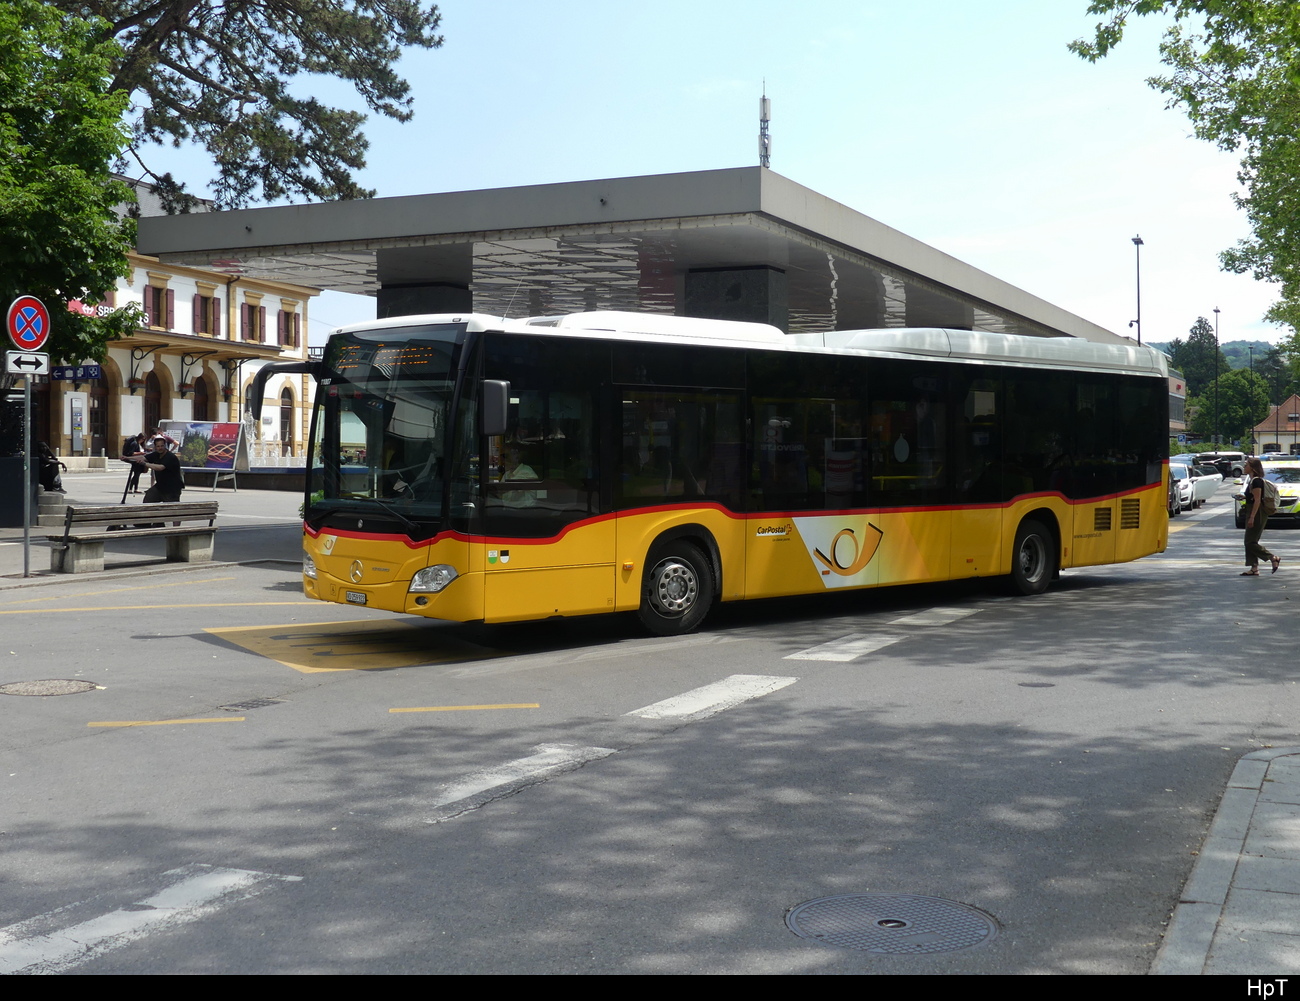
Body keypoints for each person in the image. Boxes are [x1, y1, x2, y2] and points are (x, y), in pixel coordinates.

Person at [1242, 456, 1280, 576]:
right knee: (1251, 540)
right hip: (1253, 510)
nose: (1244, 467)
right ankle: (1254, 568)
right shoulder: (1252, 480)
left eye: (1246, 465)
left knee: (1249, 542)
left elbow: (1257, 501)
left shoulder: (1257, 481)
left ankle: (1272, 557)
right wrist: (1245, 497)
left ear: (1252, 468)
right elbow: (1253, 497)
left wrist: (1252, 517)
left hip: (1257, 512)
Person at [131, 436, 184, 503]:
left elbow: (160, 467)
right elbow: (142, 457)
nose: (160, 448)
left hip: (172, 488)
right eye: (158, 446)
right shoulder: (156, 454)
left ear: (165, 446)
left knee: (170, 508)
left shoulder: (170, 457)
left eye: (162, 446)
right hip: (160, 485)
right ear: (155, 447)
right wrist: (127, 458)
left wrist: (144, 464)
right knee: (149, 497)